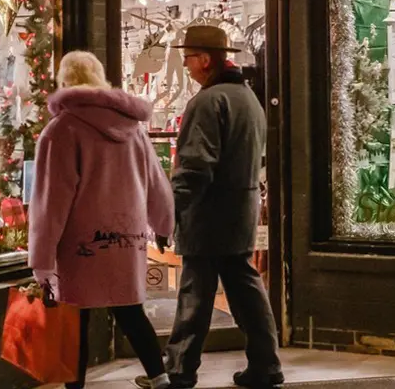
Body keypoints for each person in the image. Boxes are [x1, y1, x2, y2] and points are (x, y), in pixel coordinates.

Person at [139, 25, 283, 389]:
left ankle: (179, 370)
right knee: (245, 288)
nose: (185, 66)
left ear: (205, 60)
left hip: (209, 215)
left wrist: (169, 212)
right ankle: (265, 365)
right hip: (240, 211)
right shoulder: (248, 99)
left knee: (195, 293)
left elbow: (195, 166)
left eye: (187, 58)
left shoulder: (207, 102)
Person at [28, 50, 174, 389]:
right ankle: (160, 375)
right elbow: (155, 181)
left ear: (64, 81)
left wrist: (42, 260)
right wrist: (164, 225)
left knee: (74, 317)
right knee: (129, 309)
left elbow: (51, 201)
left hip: (81, 246)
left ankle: (74, 387)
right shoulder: (132, 128)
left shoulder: (61, 131)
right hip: (126, 238)